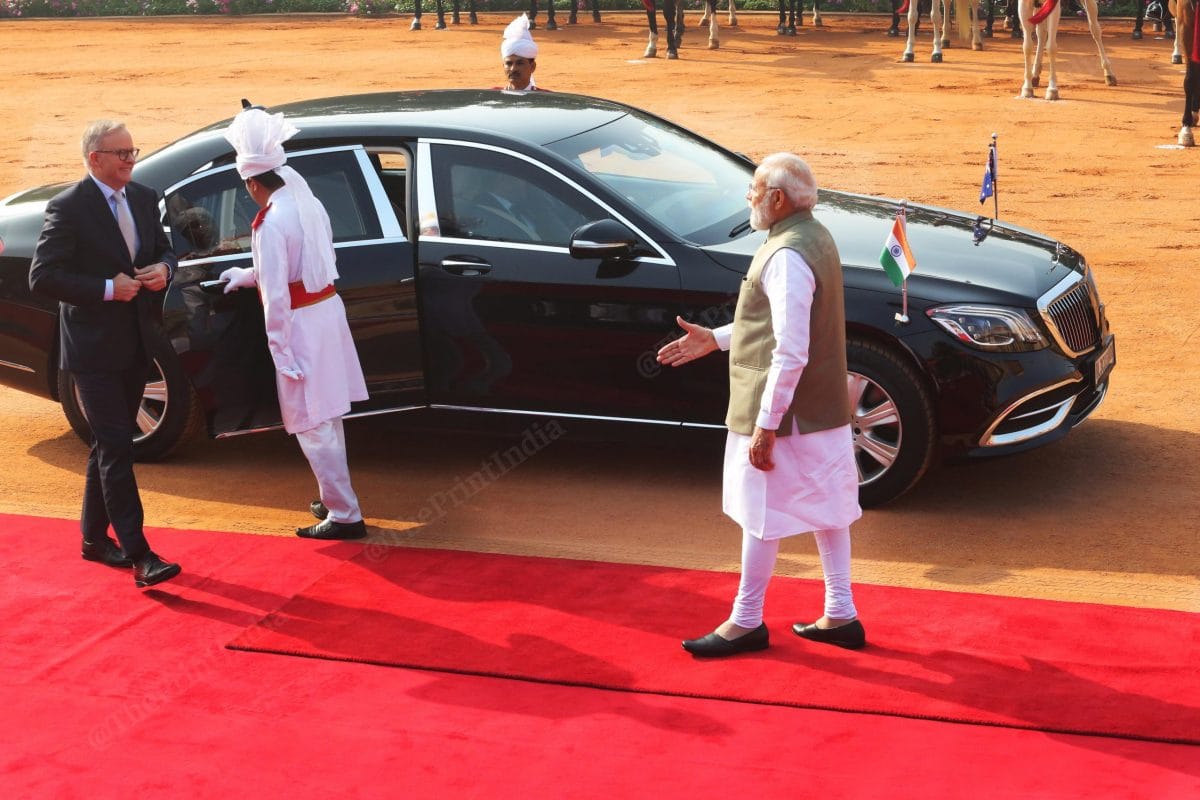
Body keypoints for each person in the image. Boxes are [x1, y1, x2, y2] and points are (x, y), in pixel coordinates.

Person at [656, 153, 866, 657]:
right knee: (830, 513)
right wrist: (718, 338)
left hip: (785, 414)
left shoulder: (787, 254)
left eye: (755, 188)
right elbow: (779, 328)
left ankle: (746, 622)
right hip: (825, 410)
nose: (748, 196)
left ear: (777, 199)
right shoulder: (814, 237)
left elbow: (790, 348)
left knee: (759, 514)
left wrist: (767, 426)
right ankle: (841, 614)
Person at [29, 120, 181, 588]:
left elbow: (165, 250)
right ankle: (140, 555)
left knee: (107, 445)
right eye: (121, 153)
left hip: (137, 344)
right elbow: (44, 277)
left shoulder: (141, 196)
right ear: (95, 158)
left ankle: (94, 539)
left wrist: (164, 270)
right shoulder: (68, 207)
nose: (130, 159)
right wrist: (106, 289)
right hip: (91, 352)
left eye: (133, 150)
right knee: (117, 445)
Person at [218, 105, 370, 540]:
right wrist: (248, 275)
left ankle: (344, 514)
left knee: (310, 421)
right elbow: (298, 266)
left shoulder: (270, 222)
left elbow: (278, 298)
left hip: (302, 325)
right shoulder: (302, 197)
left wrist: (279, 351)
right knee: (328, 415)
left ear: (251, 182)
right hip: (327, 314)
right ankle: (332, 493)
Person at [497, 15, 547, 92]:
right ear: (503, 66)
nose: (513, 69)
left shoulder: (545, 97)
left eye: (520, 63)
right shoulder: (492, 95)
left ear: (532, 67)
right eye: (509, 63)